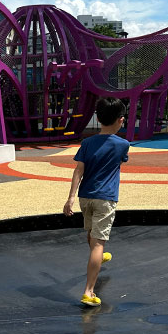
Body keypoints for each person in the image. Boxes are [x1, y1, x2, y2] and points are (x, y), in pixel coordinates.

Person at [63, 98, 129, 307]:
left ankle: (99, 256)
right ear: (121, 120)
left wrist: (70, 198)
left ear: (98, 119)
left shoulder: (87, 142)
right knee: (99, 243)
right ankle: (88, 292)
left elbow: (78, 170)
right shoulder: (123, 145)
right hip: (105, 198)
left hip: (85, 197)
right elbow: (117, 162)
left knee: (92, 234)